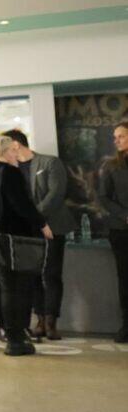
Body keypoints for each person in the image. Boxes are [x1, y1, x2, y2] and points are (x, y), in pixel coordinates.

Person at [0, 135, 53, 356]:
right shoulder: (9, 173)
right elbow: (21, 204)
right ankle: (15, 339)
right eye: (13, 150)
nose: (16, 154)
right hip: (7, 239)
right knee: (12, 288)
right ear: (5, 152)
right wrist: (42, 224)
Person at [0, 129, 74, 340]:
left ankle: (51, 321)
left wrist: (35, 218)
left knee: (51, 274)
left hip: (52, 227)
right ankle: (39, 319)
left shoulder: (49, 162)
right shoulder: (10, 169)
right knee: (31, 275)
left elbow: (55, 193)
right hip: (28, 232)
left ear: (16, 145)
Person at [97, 121, 128, 343]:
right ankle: (127, 326)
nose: (116, 140)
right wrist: (124, 215)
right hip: (121, 230)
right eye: (115, 137)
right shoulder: (111, 166)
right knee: (125, 279)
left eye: (121, 136)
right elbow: (104, 197)